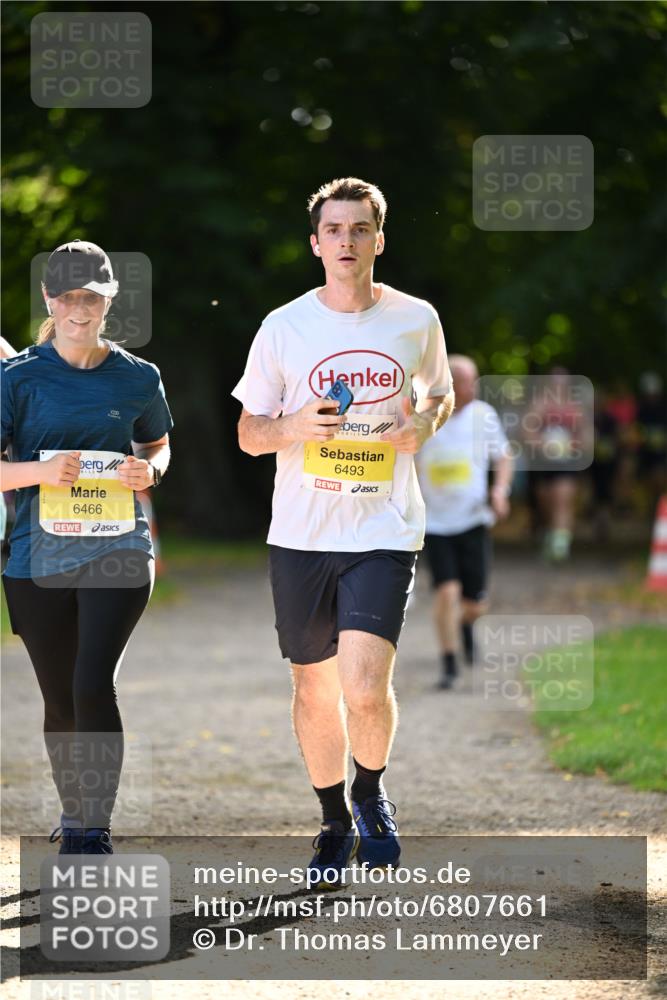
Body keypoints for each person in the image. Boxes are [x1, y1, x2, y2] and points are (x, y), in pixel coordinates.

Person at [232, 177, 453, 887]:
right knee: (311, 690)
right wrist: (293, 426)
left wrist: (419, 424)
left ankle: (370, 792)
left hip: (383, 527)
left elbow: (439, 393)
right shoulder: (283, 326)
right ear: (315, 243)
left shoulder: (415, 318)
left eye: (360, 229)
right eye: (334, 229)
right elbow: (247, 433)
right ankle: (331, 818)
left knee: (362, 685)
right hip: (300, 531)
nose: (347, 241)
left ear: (378, 239)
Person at [1, 240, 173, 855]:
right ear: (50, 299)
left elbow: (157, 445)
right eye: (69, 297)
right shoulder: (16, 378)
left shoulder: (137, 376)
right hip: (34, 558)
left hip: (119, 549)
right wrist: (39, 475)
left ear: (109, 300)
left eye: (92, 297)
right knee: (59, 696)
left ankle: (91, 827)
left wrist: (148, 472)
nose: (80, 308)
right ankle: (74, 809)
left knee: (93, 680)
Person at [415, 355, 512, 688]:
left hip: (472, 521)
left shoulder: (483, 416)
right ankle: (449, 662)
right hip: (435, 523)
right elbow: (408, 461)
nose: (468, 387)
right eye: (460, 381)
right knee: (446, 592)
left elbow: (503, 456)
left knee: (475, 605)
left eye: (471, 381)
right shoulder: (425, 415)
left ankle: (467, 626)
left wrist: (500, 491)